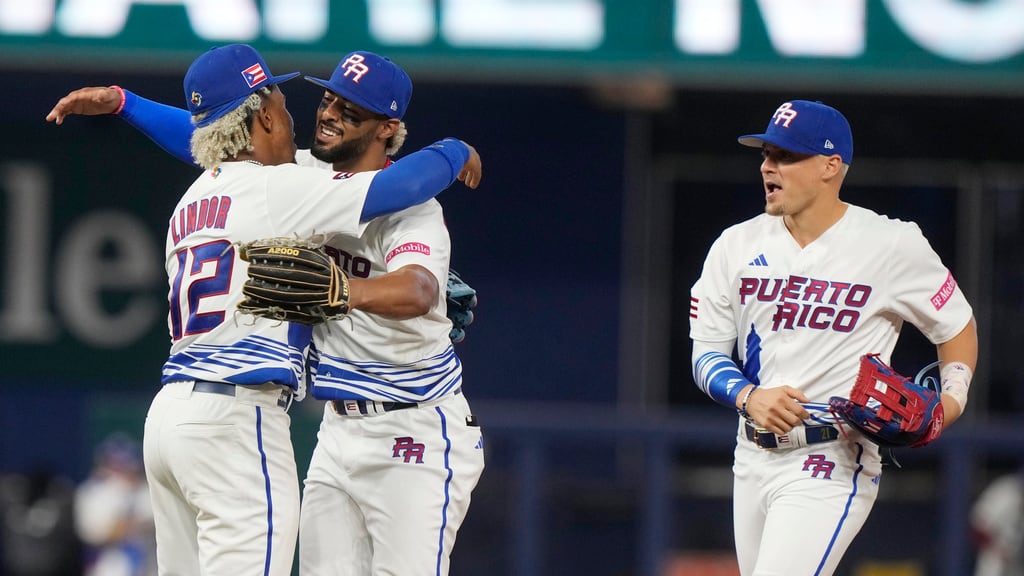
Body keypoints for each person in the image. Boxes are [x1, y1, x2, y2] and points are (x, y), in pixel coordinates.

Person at [48, 50, 485, 575]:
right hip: (306, 423)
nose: (326, 113)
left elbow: (417, 288)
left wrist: (343, 290)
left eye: (349, 109)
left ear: (387, 127)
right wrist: (456, 150)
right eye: (327, 99)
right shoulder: (291, 180)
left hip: (412, 425)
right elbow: (214, 135)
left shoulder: (408, 208)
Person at [688, 99, 978, 575]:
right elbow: (707, 354)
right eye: (765, 155)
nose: (767, 166)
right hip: (751, 457)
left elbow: (956, 325)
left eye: (785, 156)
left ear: (830, 165)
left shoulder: (890, 243)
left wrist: (951, 401)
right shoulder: (734, 245)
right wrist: (747, 395)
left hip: (832, 457)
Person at [73, 433, 156, 576]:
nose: (124, 470)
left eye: (127, 464)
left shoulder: (148, 491)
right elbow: (95, 534)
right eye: (116, 464)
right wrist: (132, 524)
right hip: (108, 568)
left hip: (149, 568)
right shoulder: (92, 493)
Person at [971, 467, 1024, 576]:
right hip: (994, 560)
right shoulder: (1005, 493)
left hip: (1016, 561)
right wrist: (995, 549)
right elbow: (978, 525)